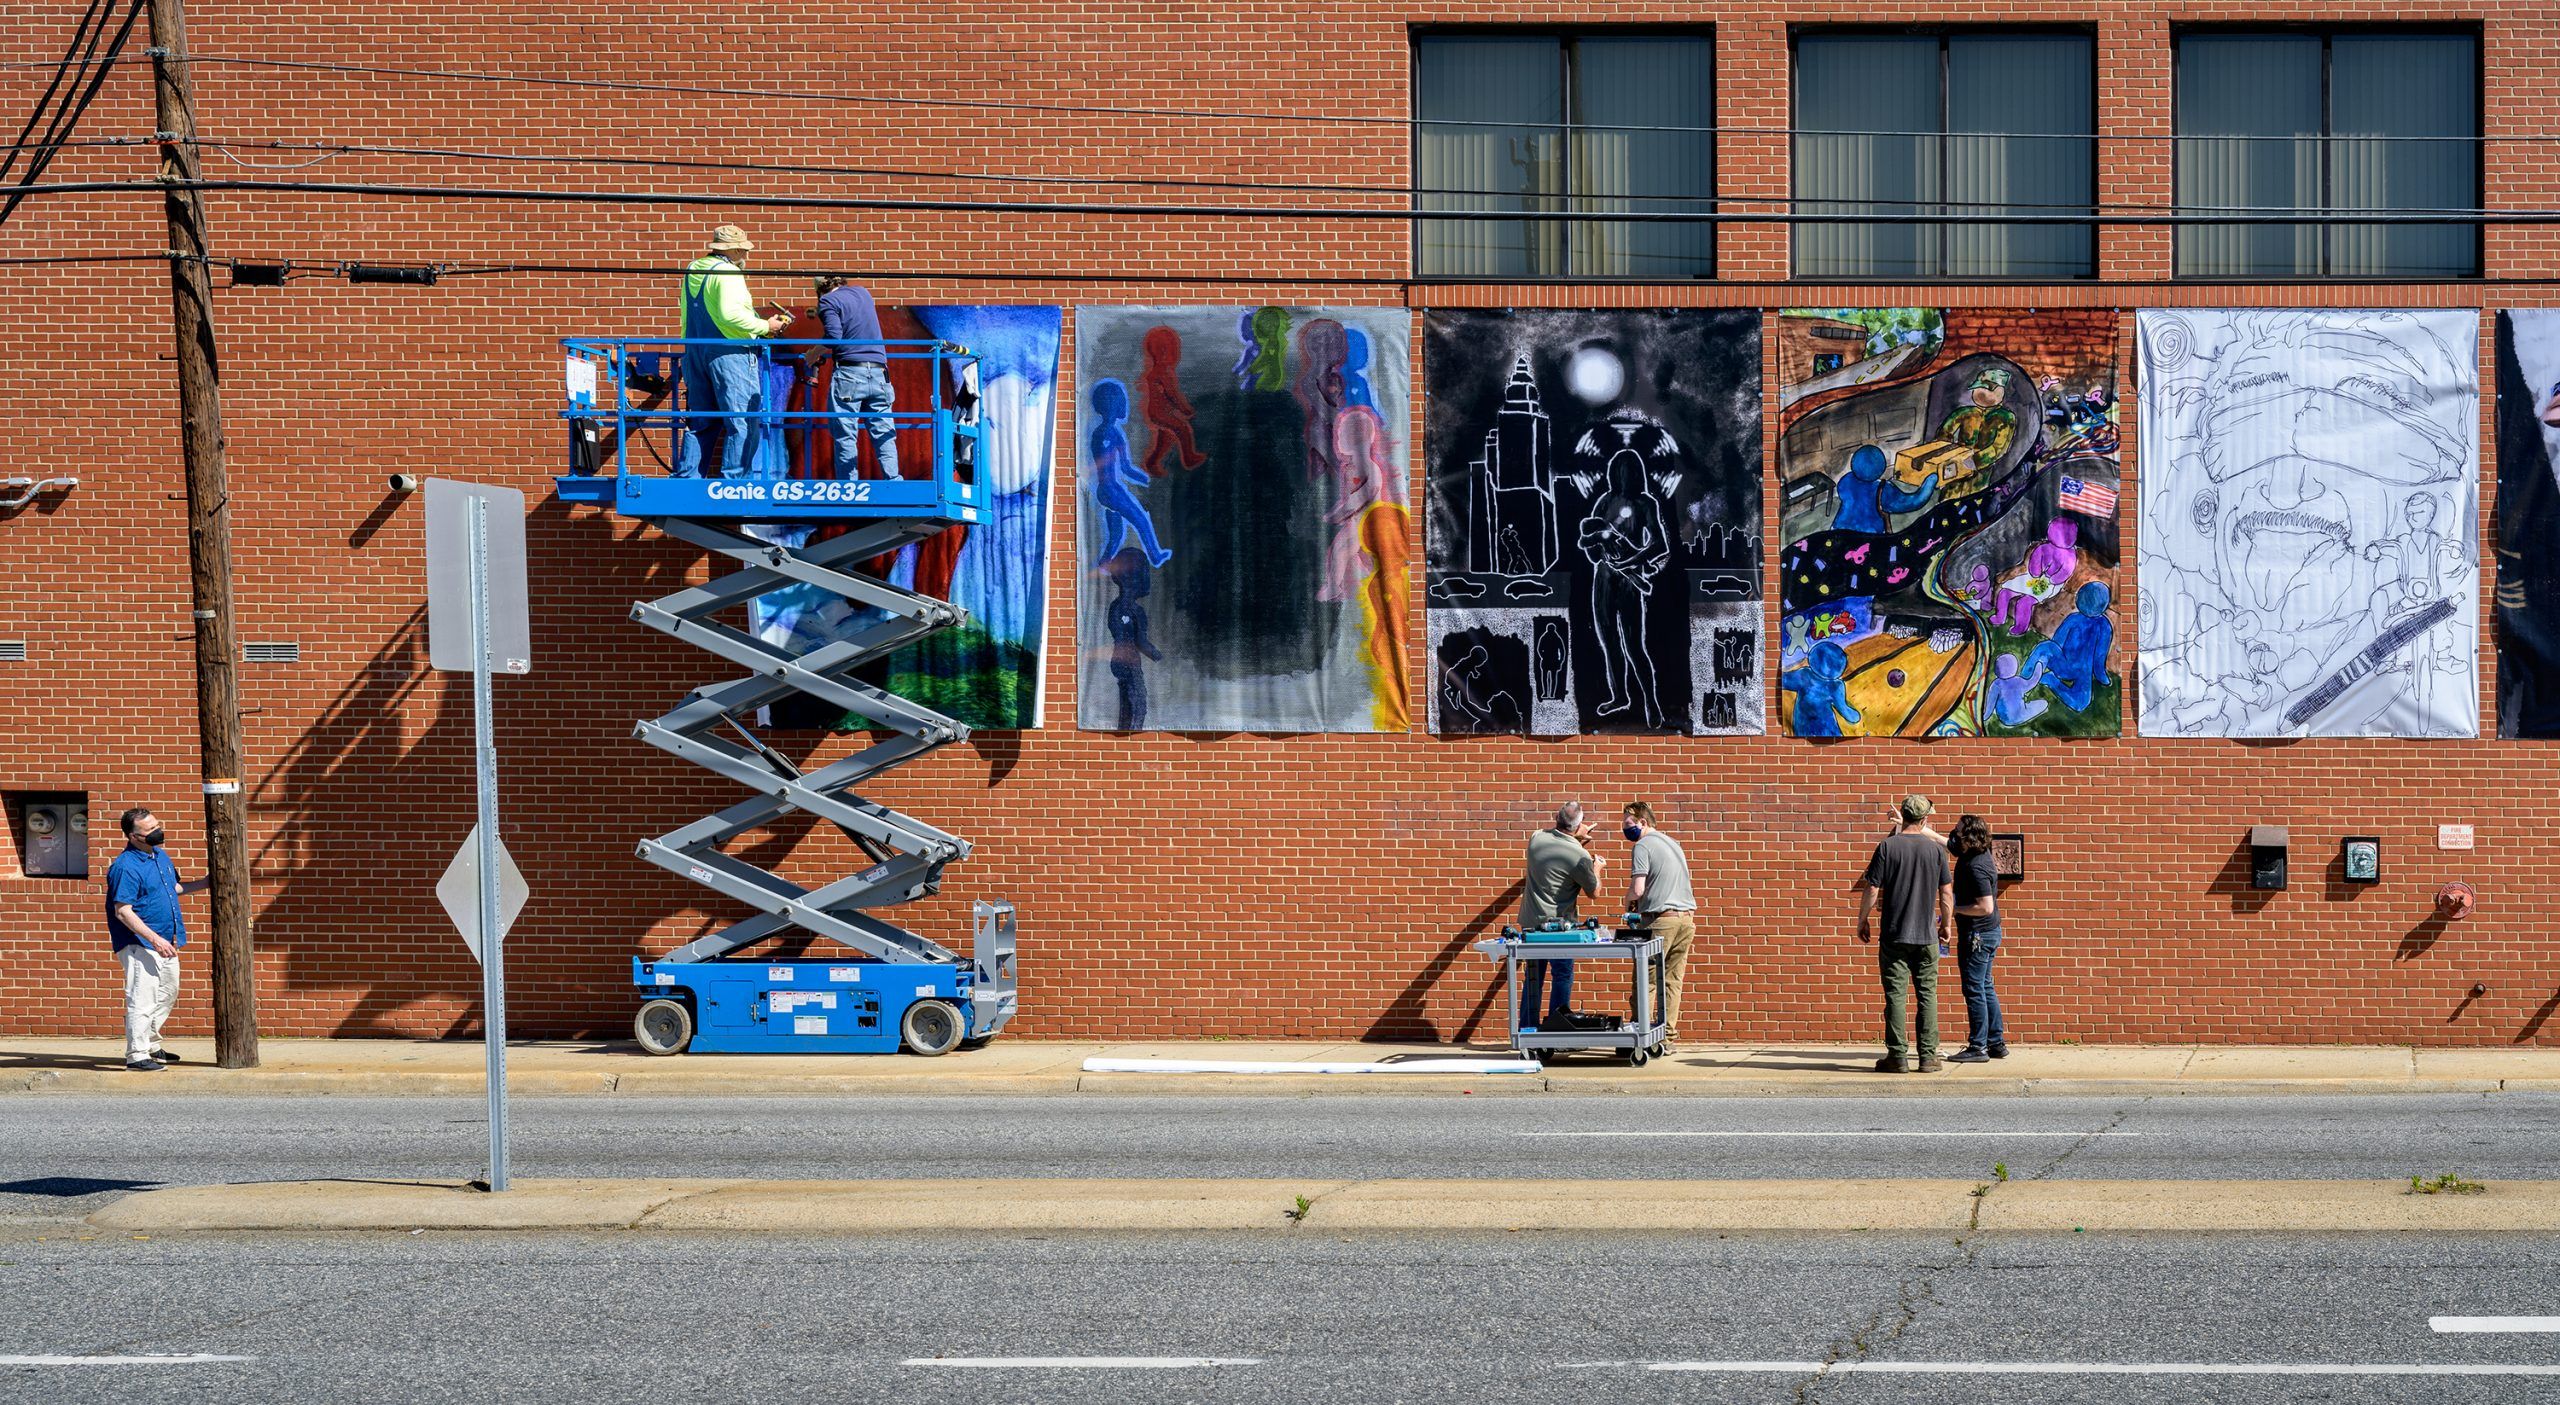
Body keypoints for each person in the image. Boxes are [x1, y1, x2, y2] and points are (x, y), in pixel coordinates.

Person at [677, 225, 794, 480]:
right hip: (730, 354)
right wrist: (766, 326)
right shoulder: (729, 271)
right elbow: (730, 315)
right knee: (743, 420)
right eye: (744, 250)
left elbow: (693, 313)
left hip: (695, 351)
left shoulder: (693, 269)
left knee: (701, 421)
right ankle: (735, 482)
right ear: (737, 249)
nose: (746, 255)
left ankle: (688, 479)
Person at [105, 807, 208, 1072]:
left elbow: (173, 889)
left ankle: (151, 1044)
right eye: (149, 830)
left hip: (166, 940)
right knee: (142, 997)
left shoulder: (160, 856)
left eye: (157, 825)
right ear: (133, 836)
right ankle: (137, 1054)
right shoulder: (125, 867)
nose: (157, 832)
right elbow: (123, 911)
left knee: (167, 992)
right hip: (140, 943)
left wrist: (207, 882)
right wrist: (155, 940)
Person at [1855, 795, 1952, 1073]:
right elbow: (1946, 892)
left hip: (1894, 934)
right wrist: (1946, 924)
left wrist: (1862, 920)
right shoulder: (1935, 851)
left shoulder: (1887, 846)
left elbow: (1872, 888)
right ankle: (1928, 1056)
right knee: (1927, 995)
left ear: (1905, 816)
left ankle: (1897, 1056)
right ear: (1925, 819)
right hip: (1925, 935)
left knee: (1896, 995)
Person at [1518, 802, 1606, 1031]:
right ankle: (1556, 1028)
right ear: (1577, 826)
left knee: (1533, 979)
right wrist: (1596, 867)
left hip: (1531, 923)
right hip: (1561, 929)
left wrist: (1576, 837)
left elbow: (1557, 849)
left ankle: (1527, 1029)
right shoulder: (1580, 855)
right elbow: (1594, 892)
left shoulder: (1536, 838)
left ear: (1556, 818)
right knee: (1562, 975)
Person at [1621, 801, 1696, 1050]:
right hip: (1686, 919)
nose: (1624, 828)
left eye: (1628, 823)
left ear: (1643, 822)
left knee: (1646, 978)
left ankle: (1640, 1035)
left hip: (1661, 920)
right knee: (1673, 980)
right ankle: (1667, 1037)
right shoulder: (1672, 843)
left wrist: (1628, 900)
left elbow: (1638, 888)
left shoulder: (1643, 845)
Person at [814, 274, 898, 480]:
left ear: (820, 292)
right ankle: (894, 480)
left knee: (845, 433)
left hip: (850, 373)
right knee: (884, 432)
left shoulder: (827, 301)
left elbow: (834, 336)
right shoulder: (863, 293)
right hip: (880, 373)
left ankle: (848, 486)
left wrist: (814, 352)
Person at [1946, 814, 2008, 1063]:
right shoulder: (1971, 855)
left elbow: (1985, 907)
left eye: (1959, 830)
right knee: (1985, 987)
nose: (1954, 833)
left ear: (1969, 836)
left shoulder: (1976, 866)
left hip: (1978, 936)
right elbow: (1944, 842)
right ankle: (1996, 1043)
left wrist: (1953, 907)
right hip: (1986, 934)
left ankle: (1978, 1046)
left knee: (1974, 990)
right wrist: (1911, 825)